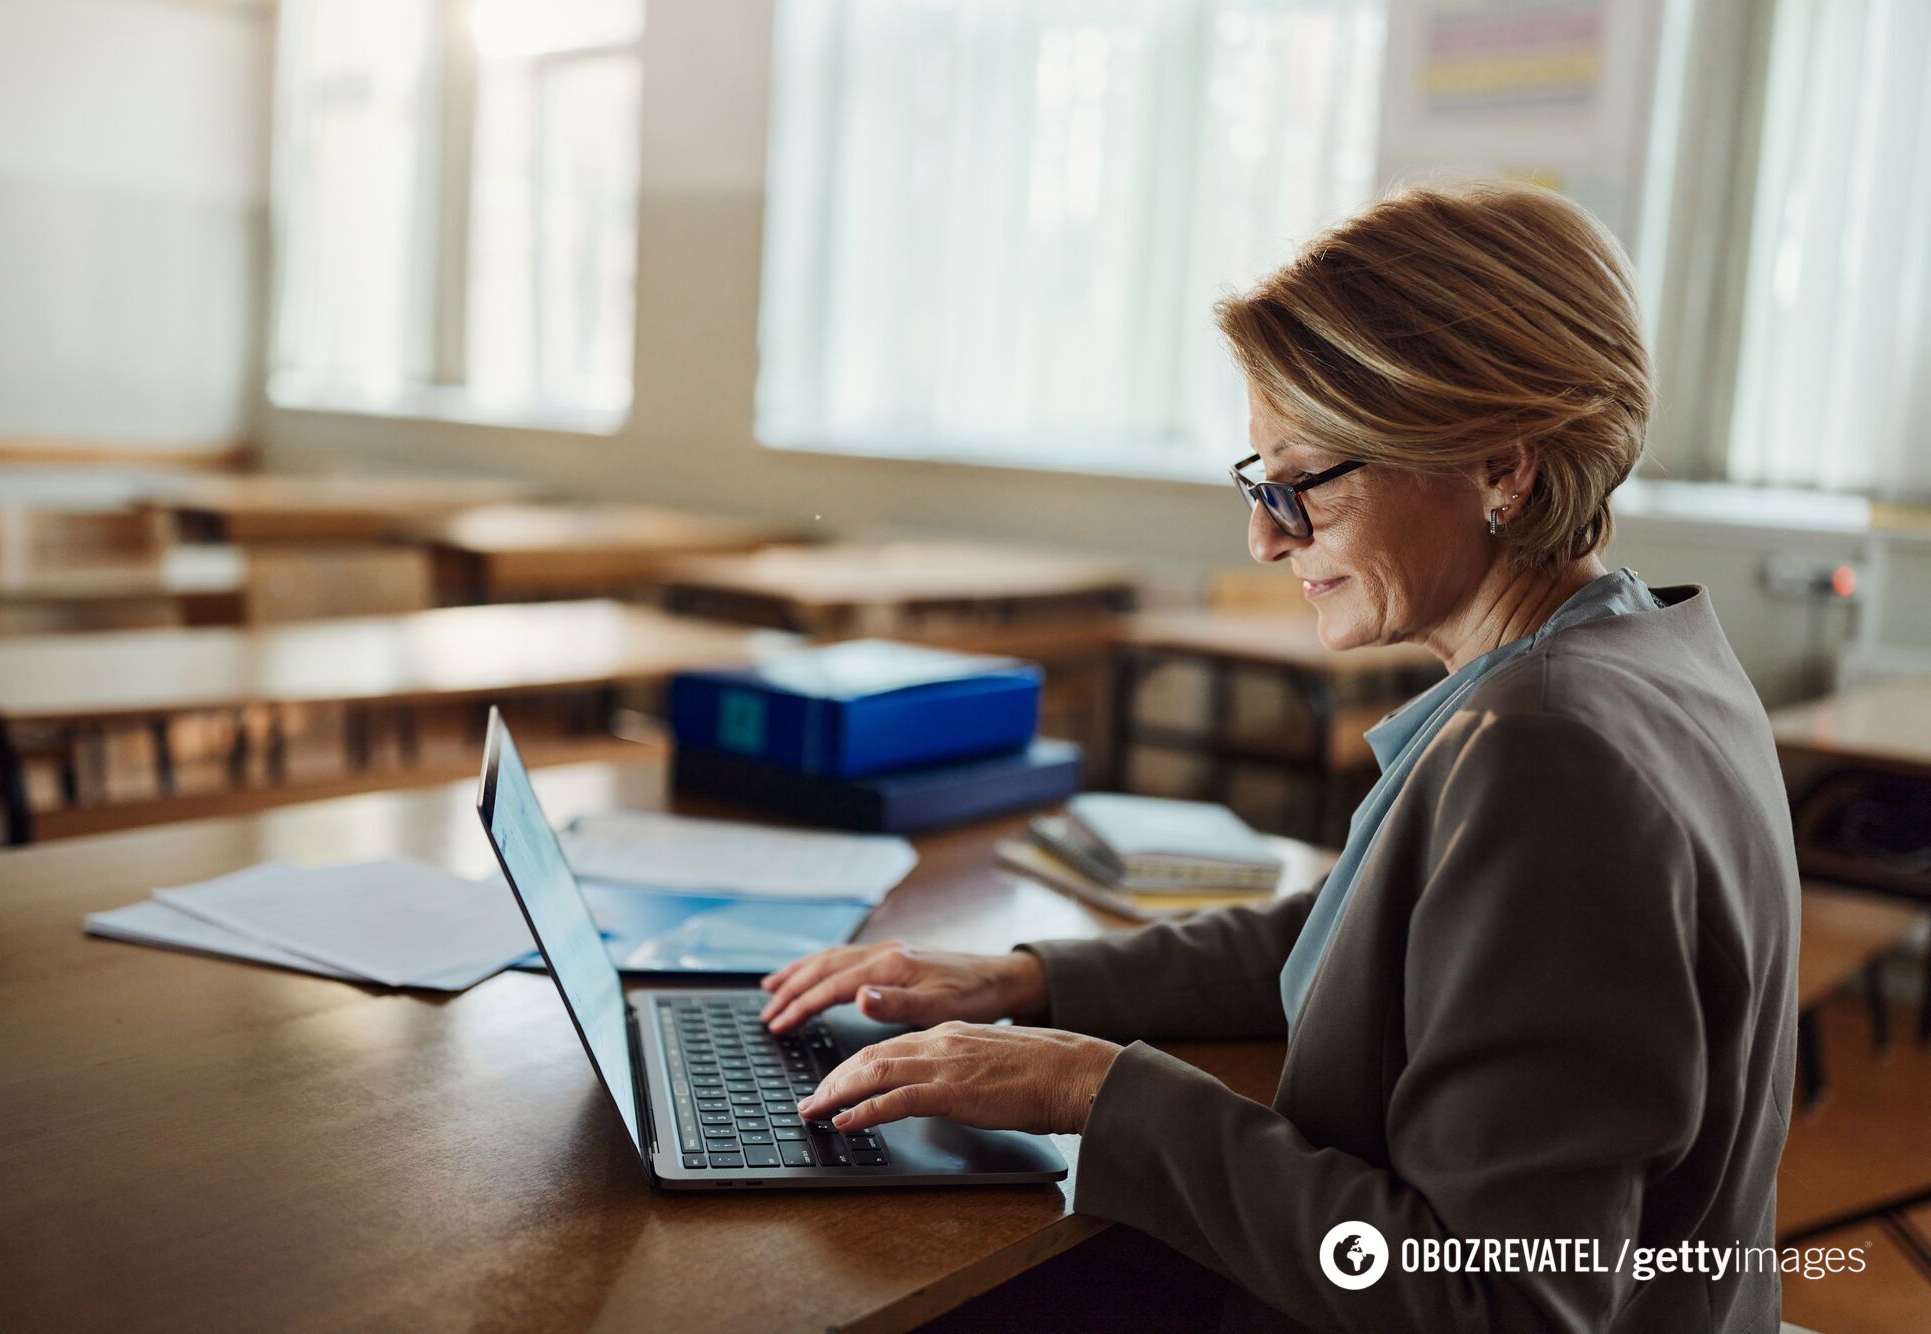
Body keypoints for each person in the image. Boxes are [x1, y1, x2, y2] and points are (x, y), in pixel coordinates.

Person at [759, 181, 1798, 1332]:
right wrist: (1030, 980)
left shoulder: (1545, 751)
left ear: (1502, 465)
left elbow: (1500, 1298)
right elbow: (1362, 939)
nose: (1264, 534)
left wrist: (1096, 1089)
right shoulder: (1649, 652)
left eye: (1304, 482)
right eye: (1259, 480)